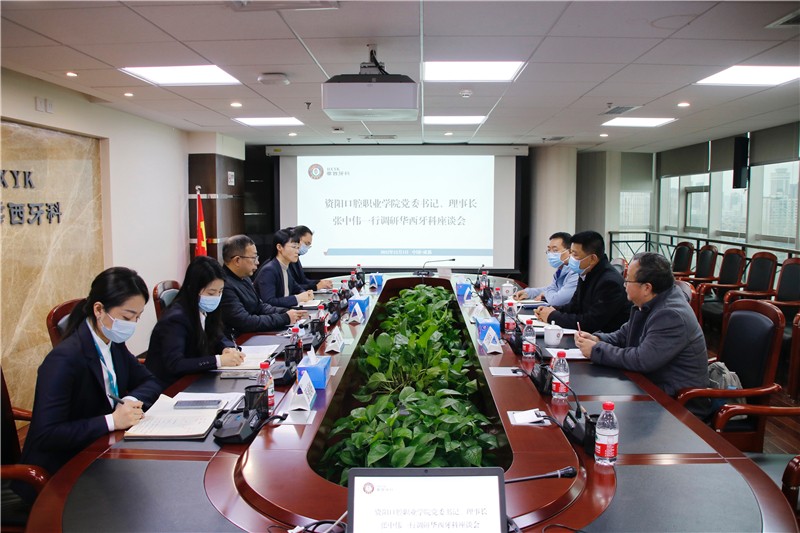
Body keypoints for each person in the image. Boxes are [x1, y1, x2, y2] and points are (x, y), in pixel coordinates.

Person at [17, 267, 161, 501]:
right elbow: (47, 434)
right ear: (99, 309)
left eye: (138, 317)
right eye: (127, 317)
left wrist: (129, 401)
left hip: (99, 451)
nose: (133, 324)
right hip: (57, 473)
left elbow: (149, 380)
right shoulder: (64, 359)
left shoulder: (112, 342)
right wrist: (112, 420)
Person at [574, 252, 708, 397]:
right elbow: (623, 335)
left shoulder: (671, 315)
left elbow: (642, 360)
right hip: (648, 385)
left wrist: (596, 350)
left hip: (673, 399)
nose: (624, 284)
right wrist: (597, 339)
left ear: (646, 288)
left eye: (627, 280)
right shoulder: (650, 302)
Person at [146, 256, 245, 388]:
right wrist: (218, 360)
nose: (216, 297)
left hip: (197, 378)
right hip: (172, 386)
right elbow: (176, 364)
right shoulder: (175, 319)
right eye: (211, 293)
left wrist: (227, 348)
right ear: (193, 289)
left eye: (220, 291)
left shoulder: (205, 308)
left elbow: (217, 335)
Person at [535, 230, 630, 333]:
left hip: (603, 338)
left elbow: (590, 322)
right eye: (570, 253)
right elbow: (574, 306)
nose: (570, 258)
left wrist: (552, 316)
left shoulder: (610, 283)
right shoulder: (586, 271)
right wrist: (551, 309)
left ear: (592, 258)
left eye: (575, 255)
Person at [219, 234, 305, 337]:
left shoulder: (244, 278)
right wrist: (284, 318)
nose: (257, 262)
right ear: (237, 260)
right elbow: (245, 321)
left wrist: (286, 312)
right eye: (253, 258)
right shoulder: (224, 285)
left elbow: (260, 307)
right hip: (240, 340)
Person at [253, 228, 315, 307]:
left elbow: (296, 288)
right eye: (294, 247)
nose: (297, 251)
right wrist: (298, 298)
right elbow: (269, 302)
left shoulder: (285, 267)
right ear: (279, 247)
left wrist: (306, 294)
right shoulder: (269, 270)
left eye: (298, 248)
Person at [514, 232, 578, 307]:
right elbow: (552, 288)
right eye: (549, 250)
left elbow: (556, 301)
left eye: (555, 250)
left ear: (569, 251)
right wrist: (528, 292)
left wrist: (545, 293)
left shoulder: (575, 273)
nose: (550, 254)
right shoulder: (561, 270)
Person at [289, 225, 333, 291]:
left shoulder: (296, 257)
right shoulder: (281, 262)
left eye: (308, 245)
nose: (306, 247)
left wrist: (319, 282)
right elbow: (291, 288)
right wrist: (316, 287)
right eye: (306, 243)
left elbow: (303, 280)